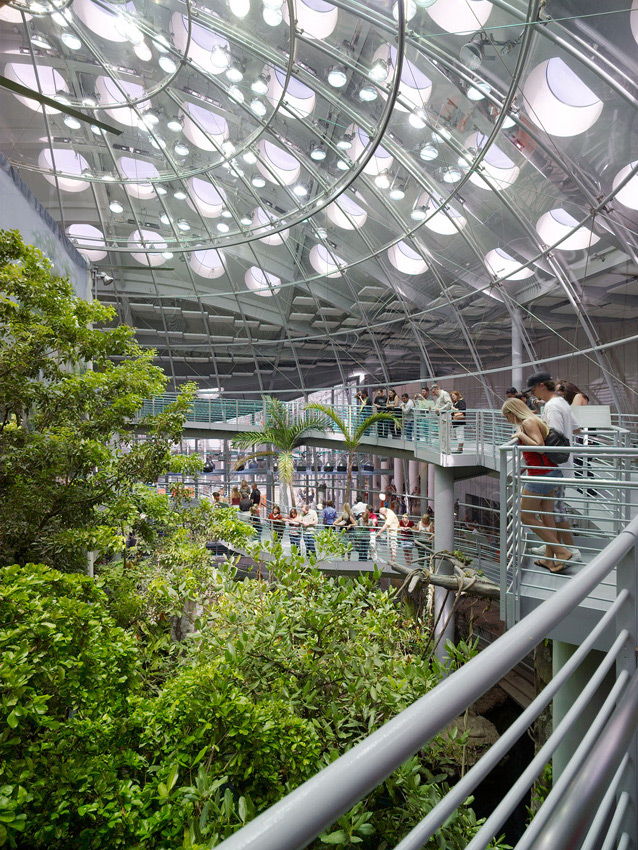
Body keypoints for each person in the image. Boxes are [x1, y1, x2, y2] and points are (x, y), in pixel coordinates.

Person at [502, 397, 573, 572]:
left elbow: (540, 447)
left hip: (540, 475)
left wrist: (520, 435)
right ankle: (549, 559)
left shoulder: (528, 422)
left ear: (512, 412)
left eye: (507, 416)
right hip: (547, 472)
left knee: (525, 516)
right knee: (547, 517)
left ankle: (561, 552)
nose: (507, 419)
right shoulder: (533, 420)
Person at [526, 372, 582, 562]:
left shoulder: (551, 406)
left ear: (542, 385)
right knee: (554, 508)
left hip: (556, 465)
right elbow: (576, 428)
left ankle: (568, 550)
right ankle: (554, 549)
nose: (533, 394)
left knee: (555, 510)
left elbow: (553, 436)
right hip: (564, 463)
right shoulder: (562, 403)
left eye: (533, 389)